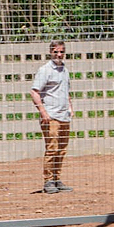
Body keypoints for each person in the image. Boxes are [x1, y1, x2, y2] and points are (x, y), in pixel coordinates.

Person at [30, 40, 74, 194]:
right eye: (56, 51)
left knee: (61, 150)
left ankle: (57, 178)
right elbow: (34, 92)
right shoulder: (45, 70)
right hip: (51, 116)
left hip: (64, 116)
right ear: (50, 52)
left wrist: (70, 108)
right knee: (52, 149)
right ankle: (48, 181)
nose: (59, 54)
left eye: (61, 51)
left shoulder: (65, 70)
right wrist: (43, 112)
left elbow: (66, 91)